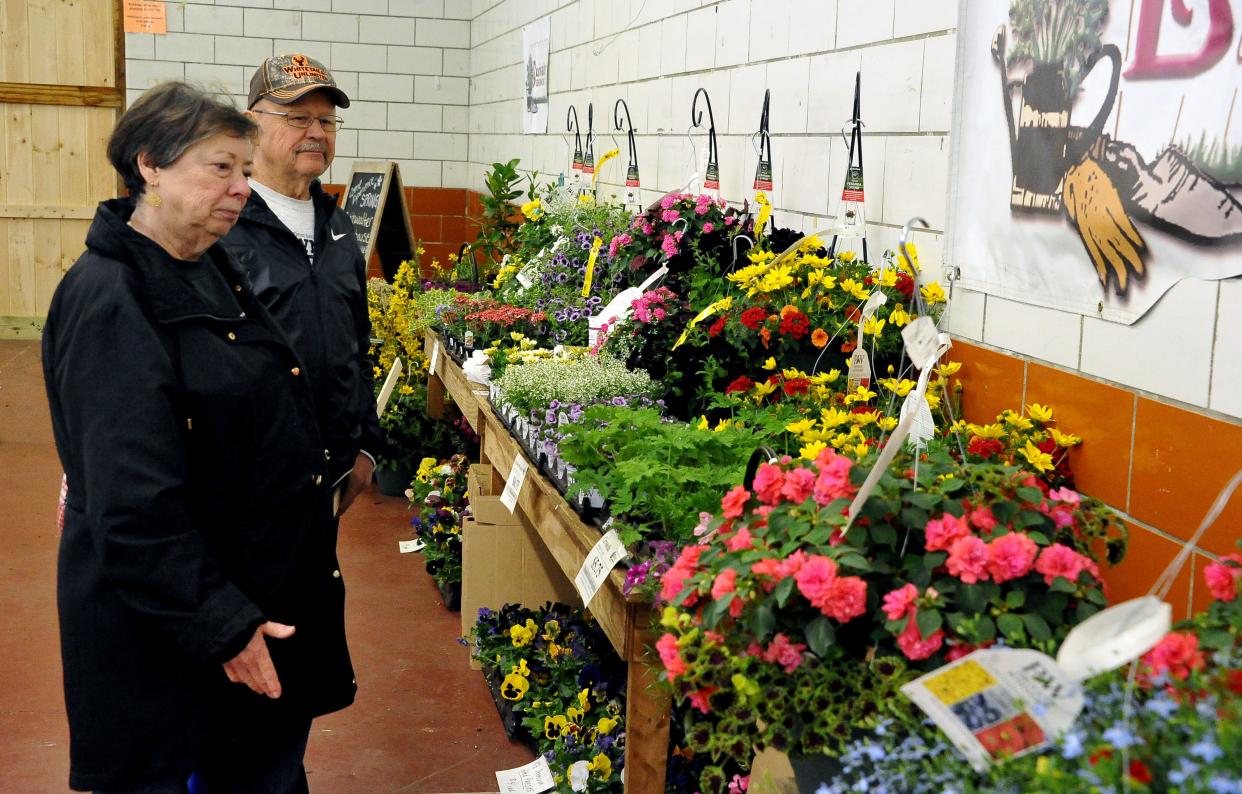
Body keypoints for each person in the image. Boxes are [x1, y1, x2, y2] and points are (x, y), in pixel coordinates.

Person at [43, 81, 355, 793]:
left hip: (250, 609)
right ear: (150, 165)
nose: (242, 188)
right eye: (221, 167)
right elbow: (134, 509)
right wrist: (224, 627)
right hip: (178, 646)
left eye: (245, 170)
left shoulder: (207, 267)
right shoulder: (113, 301)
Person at [221, 54, 382, 516]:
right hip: (246, 484)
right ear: (252, 126)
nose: (317, 132)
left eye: (327, 120)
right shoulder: (224, 227)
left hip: (329, 477)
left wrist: (366, 447)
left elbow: (359, 344)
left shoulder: (338, 226)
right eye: (298, 117)